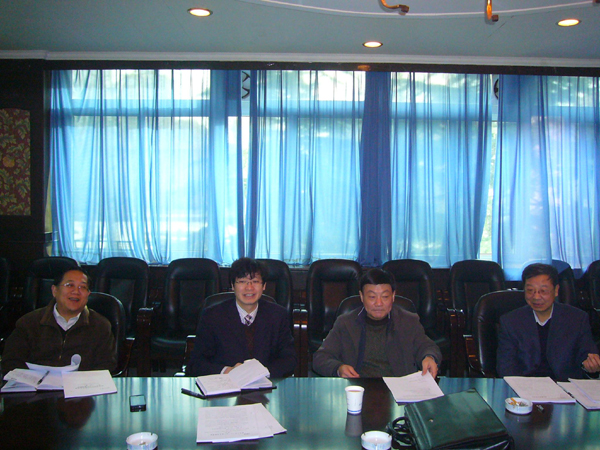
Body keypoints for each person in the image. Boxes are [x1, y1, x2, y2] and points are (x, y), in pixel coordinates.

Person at [312, 268, 441, 378]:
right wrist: (338, 368)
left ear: (393, 296)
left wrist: (429, 357)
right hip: (359, 388)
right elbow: (320, 358)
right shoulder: (346, 323)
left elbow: (427, 347)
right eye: (372, 297)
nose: (379, 303)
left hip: (399, 389)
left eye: (385, 297)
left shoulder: (408, 321)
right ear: (362, 297)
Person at [186, 257, 296, 377]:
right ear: (232, 286)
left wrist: (263, 373)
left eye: (255, 281)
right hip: (226, 385)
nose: (249, 287)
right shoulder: (212, 316)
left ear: (264, 286)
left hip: (266, 384)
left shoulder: (278, 315)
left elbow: (290, 359)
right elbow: (196, 363)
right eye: (242, 281)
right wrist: (227, 371)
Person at [2, 267, 117, 375]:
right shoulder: (29, 322)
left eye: (82, 287)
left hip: (81, 387)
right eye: (70, 285)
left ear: (88, 294)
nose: (76, 291)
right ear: (55, 290)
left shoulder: (101, 326)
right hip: (34, 387)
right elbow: (11, 361)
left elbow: (106, 366)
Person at [497, 263, 600, 381]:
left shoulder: (577, 319)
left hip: (566, 386)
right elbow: (505, 367)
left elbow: (586, 356)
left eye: (543, 291)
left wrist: (591, 367)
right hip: (525, 386)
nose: (536, 297)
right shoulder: (510, 322)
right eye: (530, 290)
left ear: (556, 290)